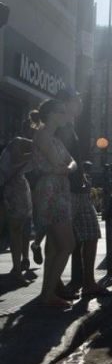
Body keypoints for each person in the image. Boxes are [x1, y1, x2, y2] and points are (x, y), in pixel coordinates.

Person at [54, 87, 112, 298]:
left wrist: (82, 176)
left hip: (79, 188)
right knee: (61, 241)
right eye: (76, 100)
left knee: (91, 233)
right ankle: (55, 283)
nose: (80, 103)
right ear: (65, 103)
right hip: (66, 190)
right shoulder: (59, 127)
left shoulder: (70, 126)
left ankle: (88, 282)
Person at [31, 99, 78, 307]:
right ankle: (48, 294)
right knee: (68, 244)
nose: (64, 115)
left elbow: (71, 162)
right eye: (61, 112)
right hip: (52, 191)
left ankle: (47, 293)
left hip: (58, 189)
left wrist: (67, 168)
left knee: (54, 246)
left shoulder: (54, 138)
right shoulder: (43, 135)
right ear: (50, 115)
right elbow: (60, 164)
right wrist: (67, 168)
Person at [0, 112, 38, 284]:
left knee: (19, 227)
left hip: (16, 185)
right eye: (34, 130)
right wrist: (34, 153)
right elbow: (14, 162)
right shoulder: (18, 142)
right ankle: (17, 268)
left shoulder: (38, 149)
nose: (36, 134)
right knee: (12, 227)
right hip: (7, 185)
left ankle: (18, 266)